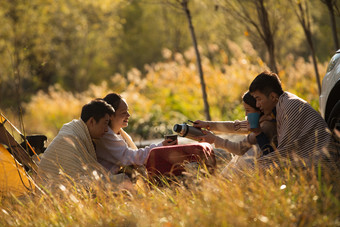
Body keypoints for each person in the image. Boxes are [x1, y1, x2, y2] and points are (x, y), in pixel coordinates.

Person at [248, 70, 338, 172]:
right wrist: (258, 132)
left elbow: (283, 155)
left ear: (273, 97)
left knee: (258, 168)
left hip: (324, 164)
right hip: (317, 163)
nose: (257, 105)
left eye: (258, 99)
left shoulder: (288, 106)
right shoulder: (283, 104)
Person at [37, 99, 122, 188]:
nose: (106, 129)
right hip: (52, 193)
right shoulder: (70, 139)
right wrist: (119, 180)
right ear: (92, 121)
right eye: (105, 123)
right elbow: (79, 182)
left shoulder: (79, 135)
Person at [193, 91, 277, 177]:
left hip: (262, 168)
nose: (246, 114)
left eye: (248, 110)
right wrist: (208, 125)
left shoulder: (265, 127)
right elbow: (235, 126)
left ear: (259, 110)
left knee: (249, 152)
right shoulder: (260, 121)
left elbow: (239, 148)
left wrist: (214, 139)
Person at [95, 93, 177, 174]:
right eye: (124, 112)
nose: (128, 115)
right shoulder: (105, 135)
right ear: (111, 116)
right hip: (111, 182)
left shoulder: (120, 134)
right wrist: (159, 147)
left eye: (128, 111)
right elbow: (130, 157)